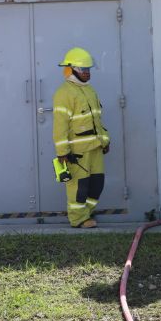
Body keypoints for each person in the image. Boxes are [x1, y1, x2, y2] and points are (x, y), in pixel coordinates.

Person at [53, 47, 110, 228]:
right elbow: (60, 126)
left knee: (97, 184)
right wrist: (62, 152)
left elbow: (96, 120)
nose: (87, 73)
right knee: (79, 186)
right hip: (77, 153)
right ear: (70, 70)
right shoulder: (64, 93)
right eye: (83, 69)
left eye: (88, 69)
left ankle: (87, 213)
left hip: (95, 147)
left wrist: (105, 139)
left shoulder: (90, 90)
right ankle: (78, 219)